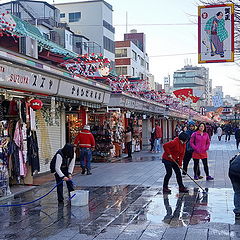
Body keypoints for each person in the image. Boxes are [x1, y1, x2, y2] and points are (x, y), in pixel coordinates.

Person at [229, 153, 240, 220]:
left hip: (232, 171)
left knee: (237, 192)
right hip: (236, 172)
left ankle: (238, 212)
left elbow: (231, 161)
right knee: (238, 191)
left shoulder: (238, 155)